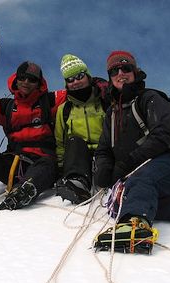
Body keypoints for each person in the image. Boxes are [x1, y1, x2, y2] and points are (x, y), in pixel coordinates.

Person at [92, 50, 170, 253]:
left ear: (135, 71)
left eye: (126, 68)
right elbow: (104, 148)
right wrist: (104, 171)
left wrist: (126, 164)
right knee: (121, 200)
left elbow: (161, 136)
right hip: (141, 172)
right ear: (110, 77)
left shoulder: (150, 98)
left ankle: (135, 224)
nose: (121, 73)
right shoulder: (111, 114)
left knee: (139, 182)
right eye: (114, 70)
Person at [0, 61, 66, 210]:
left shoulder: (50, 101)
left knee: (48, 165)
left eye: (32, 80)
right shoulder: (6, 107)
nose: (26, 82)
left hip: (42, 161)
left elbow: (75, 89)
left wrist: (97, 84)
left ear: (39, 84)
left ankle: (24, 191)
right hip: (14, 163)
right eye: (22, 78)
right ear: (16, 79)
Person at [53, 54, 109, 204]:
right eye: (70, 79)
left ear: (88, 76)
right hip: (78, 156)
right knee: (74, 140)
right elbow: (60, 141)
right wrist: (60, 167)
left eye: (79, 76)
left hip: (104, 152)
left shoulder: (104, 101)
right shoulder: (64, 109)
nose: (75, 82)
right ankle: (78, 184)